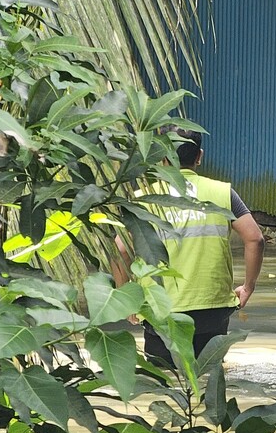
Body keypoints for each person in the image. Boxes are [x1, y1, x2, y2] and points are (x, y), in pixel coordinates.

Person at [113, 127, 265, 361]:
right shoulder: (223, 193)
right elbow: (255, 239)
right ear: (199, 156)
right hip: (213, 310)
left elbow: (120, 250)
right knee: (208, 379)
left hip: (161, 310)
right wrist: (247, 287)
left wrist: (127, 301)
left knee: (164, 382)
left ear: (163, 157)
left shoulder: (143, 200)